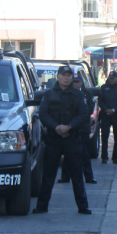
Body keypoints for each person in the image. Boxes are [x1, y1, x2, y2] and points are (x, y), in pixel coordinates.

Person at [33, 65, 91, 215]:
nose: (67, 77)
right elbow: (43, 114)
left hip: (72, 138)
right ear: (58, 76)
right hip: (54, 139)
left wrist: (69, 127)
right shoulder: (49, 94)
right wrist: (57, 127)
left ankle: (83, 206)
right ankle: (42, 206)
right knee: (48, 175)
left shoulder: (78, 95)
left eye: (69, 75)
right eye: (64, 75)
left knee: (77, 175)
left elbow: (84, 114)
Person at [58, 73, 97, 185]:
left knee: (85, 154)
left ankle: (89, 177)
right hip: (70, 128)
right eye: (73, 81)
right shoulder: (67, 93)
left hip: (83, 128)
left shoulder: (87, 94)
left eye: (77, 81)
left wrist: (78, 116)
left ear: (81, 82)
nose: (75, 83)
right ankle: (65, 177)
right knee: (68, 153)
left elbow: (89, 110)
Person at [99, 71, 117, 164]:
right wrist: (106, 110)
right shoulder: (103, 88)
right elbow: (100, 101)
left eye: (113, 78)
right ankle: (104, 157)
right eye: (110, 78)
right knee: (104, 137)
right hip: (105, 115)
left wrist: (114, 110)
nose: (111, 80)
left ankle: (115, 158)